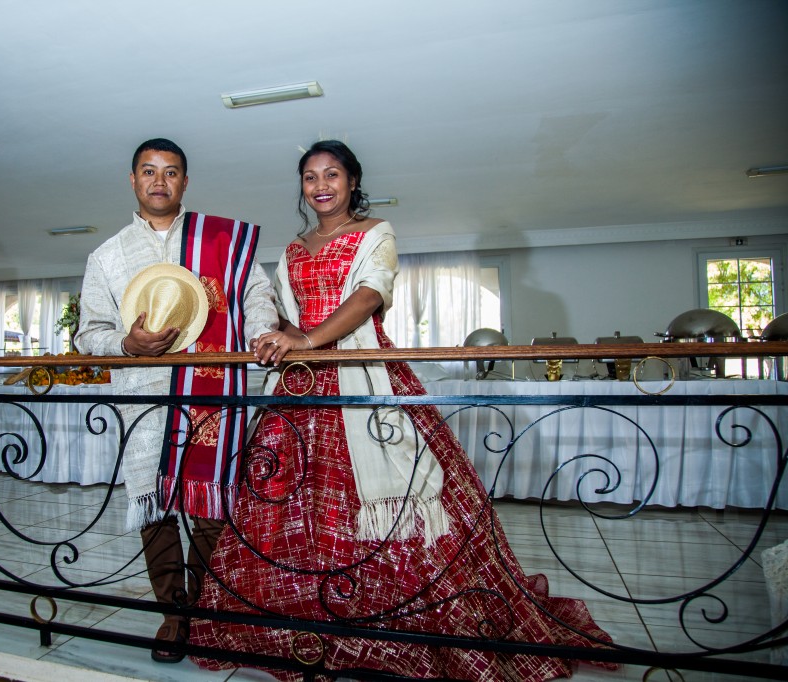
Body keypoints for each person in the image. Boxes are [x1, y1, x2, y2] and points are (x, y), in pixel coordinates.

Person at [190, 140, 616, 681]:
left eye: (332, 175)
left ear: (352, 181)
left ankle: (395, 624)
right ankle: (315, 621)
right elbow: (294, 321)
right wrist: (284, 338)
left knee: (408, 501)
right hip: (303, 388)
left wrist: (310, 341)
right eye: (310, 176)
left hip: (368, 378)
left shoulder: (375, 233)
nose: (321, 185)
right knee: (297, 506)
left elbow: (369, 297)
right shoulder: (294, 250)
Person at [75, 138, 277, 663]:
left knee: (212, 505)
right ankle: (174, 614)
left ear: (185, 181)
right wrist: (124, 344)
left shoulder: (220, 240)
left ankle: (204, 608)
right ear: (133, 180)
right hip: (144, 400)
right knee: (153, 505)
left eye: (170, 172)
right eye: (148, 171)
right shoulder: (108, 255)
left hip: (214, 390)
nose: (159, 181)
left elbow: (256, 294)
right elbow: (88, 333)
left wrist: (260, 335)